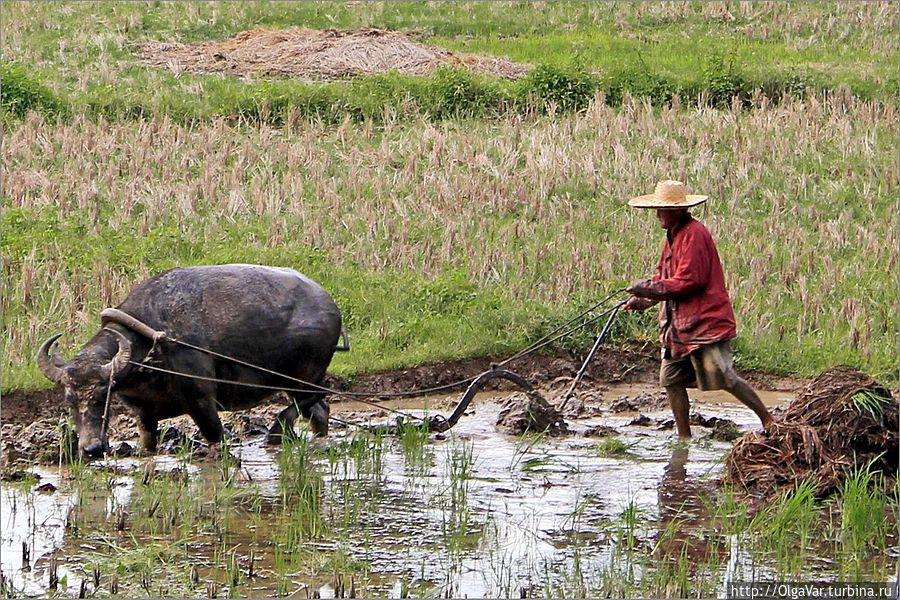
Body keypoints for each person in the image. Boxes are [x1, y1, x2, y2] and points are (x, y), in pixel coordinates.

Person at [623, 180, 774, 439]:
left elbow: (690, 281)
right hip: (678, 325)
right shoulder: (672, 237)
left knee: (724, 376)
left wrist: (649, 289)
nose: (658, 214)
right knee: (670, 380)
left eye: (662, 210)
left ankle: (768, 420)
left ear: (678, 210)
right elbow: (663, 277)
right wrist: (644, 300)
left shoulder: (695, 234)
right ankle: (684, 436)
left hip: (703, 320)